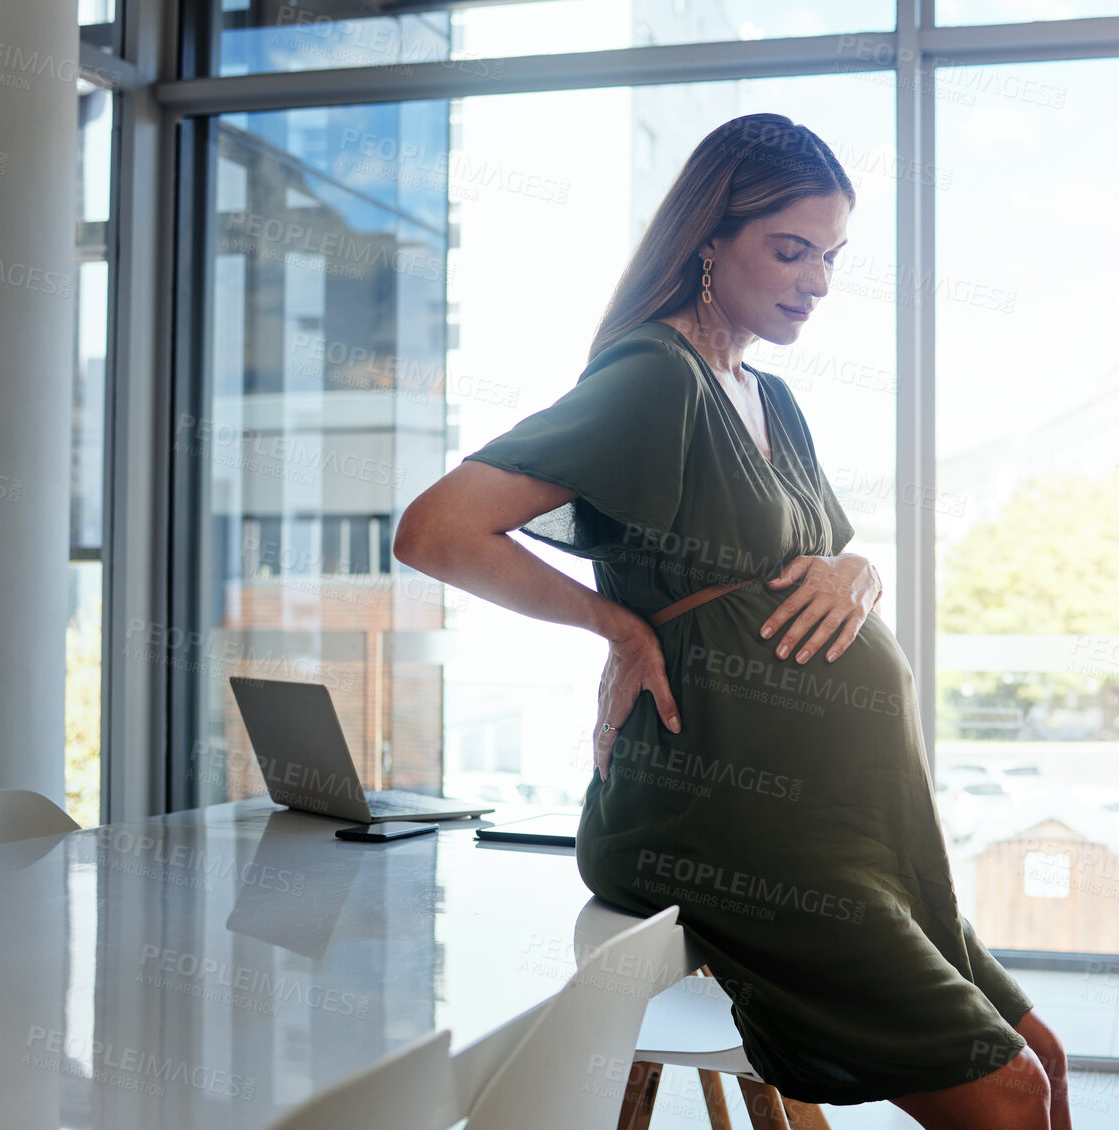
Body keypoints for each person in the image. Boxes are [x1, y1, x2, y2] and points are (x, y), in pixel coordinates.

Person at [393, 112, 1071, 1130]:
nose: (815, 281)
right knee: (1009, 1089)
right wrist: (614, 624)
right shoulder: (652, 376)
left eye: (830, 257)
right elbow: (437, 528)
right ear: (709, 239)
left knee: (1043, 1055)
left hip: (853, 819)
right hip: (716, 813)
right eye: (789, 249)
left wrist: (858, 573)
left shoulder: (772, 396)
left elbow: (823, 560)